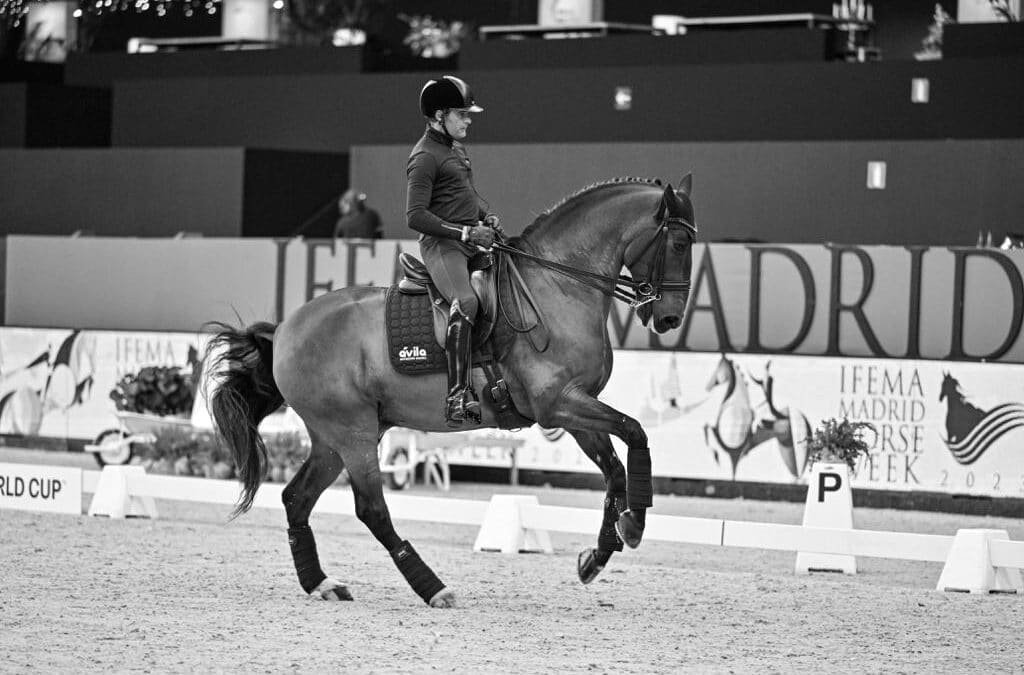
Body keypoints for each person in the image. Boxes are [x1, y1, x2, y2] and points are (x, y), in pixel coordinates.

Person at [406, 75, 502, 427]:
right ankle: (458, 395)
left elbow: (464, 196)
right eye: (461, 114)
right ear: (438, 116)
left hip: (469, 239)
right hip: (442, 246)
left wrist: (483, 216)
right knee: (469, 301)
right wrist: (465, 230)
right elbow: (415, 215)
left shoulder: (455, 150)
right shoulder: (424, 158)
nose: (468, 119)